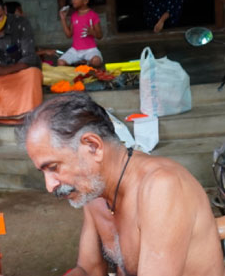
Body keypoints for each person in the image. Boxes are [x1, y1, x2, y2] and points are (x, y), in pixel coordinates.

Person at [20, 92, 225, 276]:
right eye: (44, 172)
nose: (50, 186)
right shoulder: (94, 190)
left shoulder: (162, 187)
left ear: (93, 146)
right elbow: (88, 269)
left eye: (54, 167)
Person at [58, 0, 103, 68]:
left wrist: (92, 32)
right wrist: (63, 18)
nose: (73, 0)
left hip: (90, 50)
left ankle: (81, 63)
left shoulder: (93, 15)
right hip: (75, 50)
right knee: (60, 63)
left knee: (96, 61)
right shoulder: (74, 16)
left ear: (85, 1)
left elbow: (100, 36)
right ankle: (83, 63)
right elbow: (68, 35)